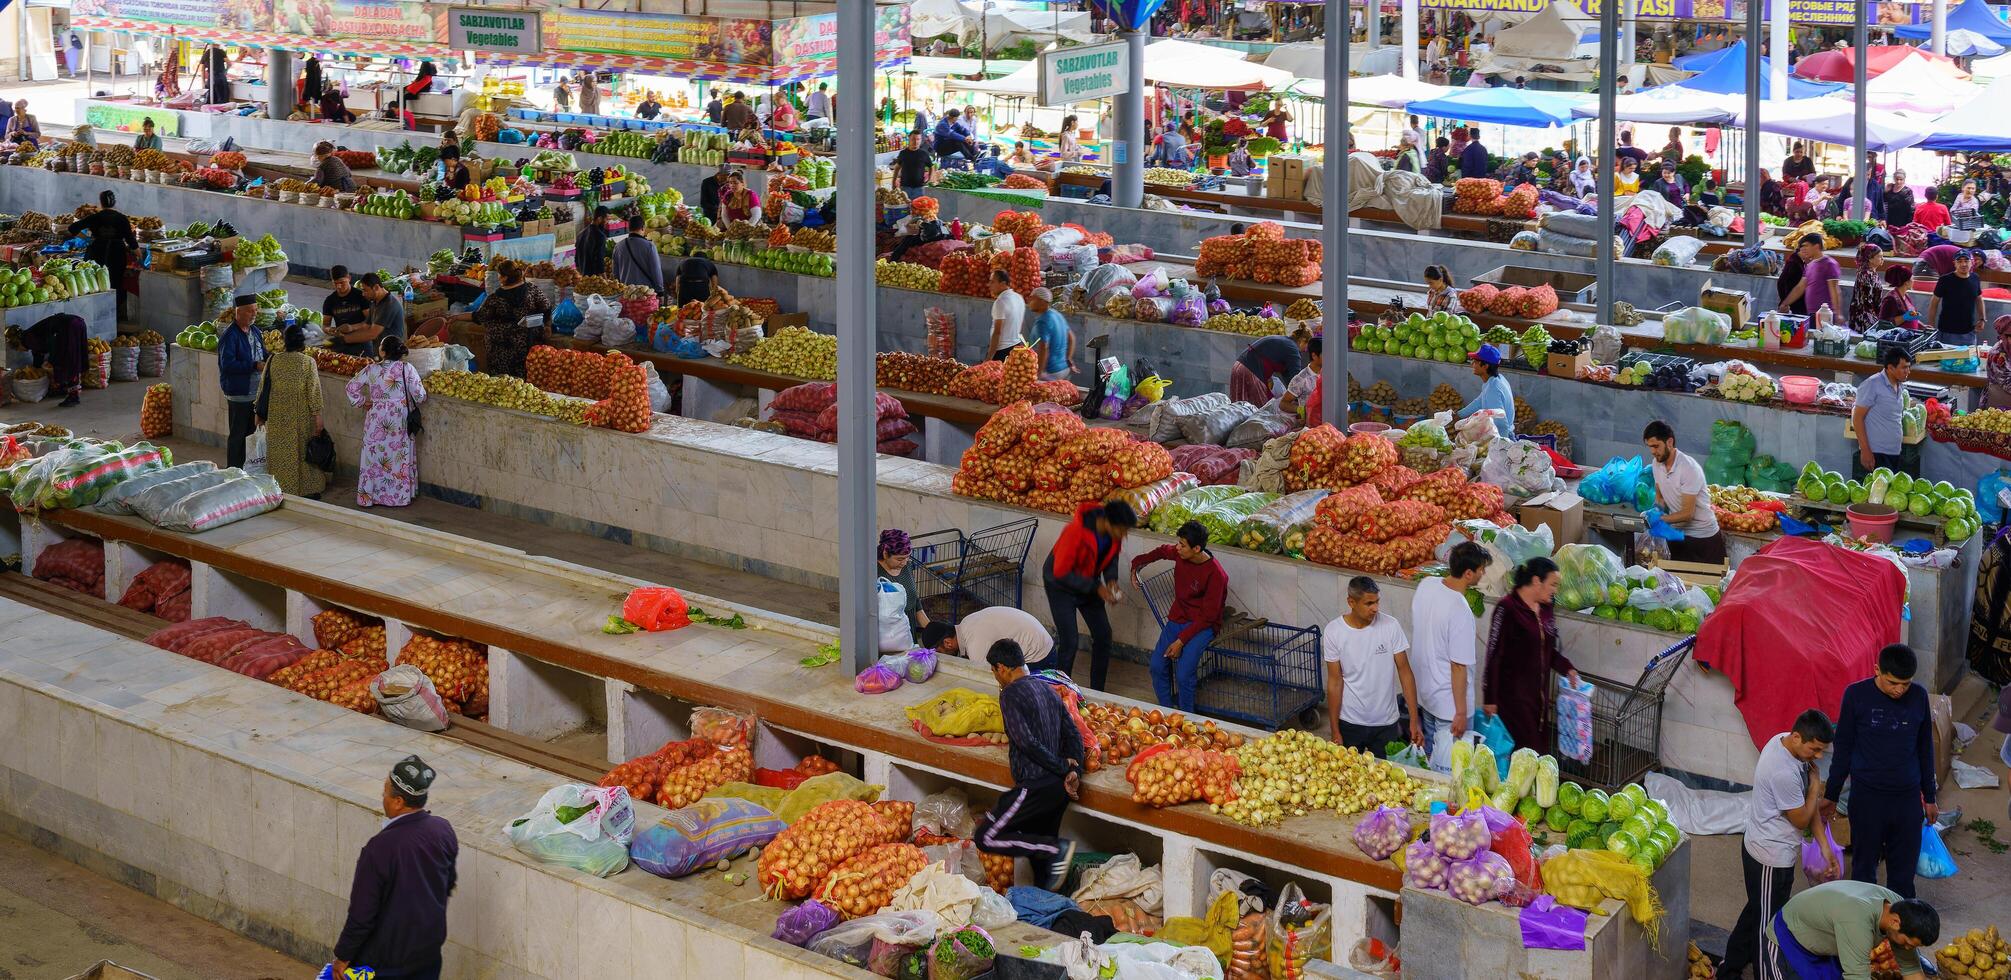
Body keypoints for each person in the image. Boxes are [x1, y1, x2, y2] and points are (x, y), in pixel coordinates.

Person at [1720, 709, 1837, 980]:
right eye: (1815, 749)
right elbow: (1801, 819)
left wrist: (1825, 847)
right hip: (1769, 857)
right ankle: (1766, 974)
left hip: (1767, 849)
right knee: (1769, 926)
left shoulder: (1782, 741)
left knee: (1756, 911)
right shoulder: (1783, 772)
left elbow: (1811, 814)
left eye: (1822, 750)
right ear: (1797, 737)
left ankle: (1730, 968)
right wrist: (1815, 787)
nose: (1818, 756)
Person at [1822, 643, 1937, 899]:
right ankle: (1864, 924)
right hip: (1867, 798)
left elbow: (1925, 749)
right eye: (1893, 682)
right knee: (1864, 869)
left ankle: (1900, 931)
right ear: (1877, 670)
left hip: (1906, 799)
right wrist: (1831, 794)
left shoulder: (1918, 697)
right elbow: (1843, 749)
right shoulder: (1855, 695)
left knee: (1904, 873)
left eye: (1905, 684)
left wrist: (1929, 797)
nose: (1899, 690)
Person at [332, 755, 458, 980]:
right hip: (428, 953)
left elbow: (362, 915)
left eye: (385, 791)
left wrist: (343, 956)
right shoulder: (443, 830)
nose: (382, 796)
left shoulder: (378, 849)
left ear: (398, 801)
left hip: (386, 962)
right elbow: (447, 884)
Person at [973, 639, 1084, 891]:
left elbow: (1026, 742)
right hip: (1057, 790)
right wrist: (1074, 771)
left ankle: (1056, 849)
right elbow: (1073, 735)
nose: (995, 677)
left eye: (993, 671)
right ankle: (1053, 909)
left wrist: (1061, 767)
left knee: (986, 836)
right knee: (1043, 869)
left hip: (1035, 786)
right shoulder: (1047, 689)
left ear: (1001, 668)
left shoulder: (1010, 693)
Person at [1404, 542, 1490, 773]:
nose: (1484, 573)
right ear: (1468, 573)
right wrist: (1460, 712)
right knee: (1456, 773)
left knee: (1434, 763)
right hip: (1449, 708)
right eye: (1481, 569)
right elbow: (1458, 667)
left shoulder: (1427, 585)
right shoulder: (1460, 608)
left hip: (1428, 697)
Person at [1482, 557, 1581, 752]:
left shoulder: (1546, 609)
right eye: (1553, 584)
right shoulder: (1507, 608)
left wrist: (1567, 668)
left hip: (1539, 701)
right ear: (1537, 581)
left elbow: (1547, 650)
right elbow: (1494, 656)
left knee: (1538, 753)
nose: (1555, 590)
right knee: (1522, 754)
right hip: (1513, 701)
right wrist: (1490, 699)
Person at [1129, 521, 1228, 713]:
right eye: (1178, 543)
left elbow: (1208, 616)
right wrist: (1135, 567)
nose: (1177, 548)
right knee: (1157, 666)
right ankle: (1167, 714)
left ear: (1197, 548)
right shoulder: (1180, 554)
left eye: (1182, 545)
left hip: (1203, 625)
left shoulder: (1217, 575)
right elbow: (1160, 551)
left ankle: (1186, 717)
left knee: (1184, 674)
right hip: (1178, 618)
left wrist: (1181, 641)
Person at [1040, 499, 1136, 691]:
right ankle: (1060, 691)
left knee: (1103, 636)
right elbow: (1061, 572)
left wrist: (1111, 581)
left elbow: (1111, 558)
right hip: (1060, 586)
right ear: (1108, 522)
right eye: (1122, 530)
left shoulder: (1113, 535)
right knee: (1070, 641)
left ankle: (1097, 691)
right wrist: (1097, 588)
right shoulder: (1074, 532)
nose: (1124, 535)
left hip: (1088, 584)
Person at [1763, 881, 1938, 980]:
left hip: (1825, 943)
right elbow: (1858, 978)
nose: (1907, 949)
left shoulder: (1899, 907)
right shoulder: (1857, 922)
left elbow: (1912, 970)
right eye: (1907, 944)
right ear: (1895, 922)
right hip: (1787, 940)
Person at [1324, 577, 1419, 757]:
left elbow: (1405, 672)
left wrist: (1414, 720)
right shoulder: (1334, 632)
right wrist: (1335, 729)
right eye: (1369, 603)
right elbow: (1335, 682)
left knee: (1386, 779)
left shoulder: (1390, 626)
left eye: (1377, 602)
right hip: (1350, 722)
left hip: (1386, 724)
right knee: (1348, 778)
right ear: (1351, 602)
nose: (1375, 608)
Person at [345, 335, 426, 508]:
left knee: (373, 457)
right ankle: (398, 497)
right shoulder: (407, 369)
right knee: (398, 457)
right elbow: (420, 396)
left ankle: (370, 497)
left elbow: (351, 388)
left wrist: (362, 402)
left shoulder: (371, 369)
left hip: (376, 418)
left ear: (383, 351)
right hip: (399, 419)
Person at [254, 326, 328, 499]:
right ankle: (306, 489)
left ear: (285, 342)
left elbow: (262, 388)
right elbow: (314, 392)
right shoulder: (307, 362)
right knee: (302, 452)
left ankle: (281, 487)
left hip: (277, 414)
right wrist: (317, 417)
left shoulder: (273, 360)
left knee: (280, 453)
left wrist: (258, 413)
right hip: (300, 416)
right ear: (302, 343)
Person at [1642, 420, 1725, 564]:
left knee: (1709, 585)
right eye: (1650, 447)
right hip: (1677, 536)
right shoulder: (1656, 464)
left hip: (1703, 539)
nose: (1653, 451)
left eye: (1656, 446)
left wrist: (1660, 520)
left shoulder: (1688, 468)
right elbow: (1660, 498)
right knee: (1676, 583)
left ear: (1669, 442)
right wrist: (1655, 511)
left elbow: (1687, 514)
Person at [473, 259, 552, 378]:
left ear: (504, 278)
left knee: (504, 380)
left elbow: (479, 316)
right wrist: (547, 326)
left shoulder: (495, 298)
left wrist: (456, 317)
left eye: (499, 275)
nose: (498, 277)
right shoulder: (532, 289)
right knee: (526, 378)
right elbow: (547, 307)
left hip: (502, 347)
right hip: (529, 342)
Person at [68, 190, 136, 322]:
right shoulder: (122, 218)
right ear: (114, 202)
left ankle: (94, 315)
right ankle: (112, 317)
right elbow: (131, 241)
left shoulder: (95, 217)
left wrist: (88, 238)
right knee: (115, 283)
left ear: (101, 203)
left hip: (96, 252)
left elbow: (72, 228)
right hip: (117, 254)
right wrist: (138, 256)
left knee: (96, 283)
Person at [218, 296, 266, 468]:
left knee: (250, 434)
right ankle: (233, 471)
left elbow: (263, 354)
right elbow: (228, 365)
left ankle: (247, 470)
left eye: (256, 309)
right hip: (239, 394)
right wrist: (254, 365)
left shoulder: (255, 332)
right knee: (238, 435)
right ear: (239, 312)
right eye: (250, 310)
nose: (254, 314)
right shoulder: (230, 336)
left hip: (255, 393)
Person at [1853, 348, 1915, 478]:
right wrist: (1865, 451)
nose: (1908, 372)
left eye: (1909, 367)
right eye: (1904, 368)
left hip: (1894, 452)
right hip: (1876, 453)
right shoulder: (1872, 384)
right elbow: (1857, 418)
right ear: (1890, 368)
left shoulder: (1899, 385)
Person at [923, 605, 1052, 666]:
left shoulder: (975, 645)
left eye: (939, 652)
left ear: (947, 643)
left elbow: (986, 681)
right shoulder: (966, 624)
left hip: (1039, 654)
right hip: (1038, 637)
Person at [19, 313, 89, 408]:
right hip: (78, 322)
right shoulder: (30, 335)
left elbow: (48, 346)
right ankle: (62, 388)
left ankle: (73, 396)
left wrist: (52, 360)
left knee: (68, 361)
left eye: (18, 348)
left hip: (69, 327)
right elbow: (39, 352)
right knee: (72, 359)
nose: (20, 351)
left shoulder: (28, 338)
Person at [1230, 330, 1308, 407]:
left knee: (1239, 408)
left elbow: (1288, 376)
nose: (1305, 350)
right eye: (1307, 346)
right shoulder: (1293, 349)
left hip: (1238, 367)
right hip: (1251, 372)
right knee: (1262, 410)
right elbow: (1296, 378)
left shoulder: (1285, 341)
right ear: (1303, 340)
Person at [1927, 249, 1986, 345]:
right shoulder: (1945, 280)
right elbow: (1934, 302)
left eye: (1966, 261)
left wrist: (1982, 319)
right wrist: (1931, 325)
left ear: (1971, 262)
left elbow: (1979, 299)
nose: (1963, 264)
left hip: (1969, 332)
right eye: (1959, 261)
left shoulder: (1975, 278)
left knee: (1968, 359)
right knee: (1947, 359)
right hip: (1947, 332)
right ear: (1954, 263)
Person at [1779, 234, 1840, 319]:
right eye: (1801, 247)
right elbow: (1800, 287)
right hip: (1811, 314)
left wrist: (1838, 314)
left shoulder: (1829, 264)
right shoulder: (1809, 265)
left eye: (1806, 246)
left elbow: (1835, 290)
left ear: (1816, 246)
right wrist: (1785, 303)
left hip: (1826, 315)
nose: (1802, 249)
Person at [1459, 345, 1515, 437]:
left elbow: (1501, 423)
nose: (1472, 364)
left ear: (1485, 366)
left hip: (1503, 437)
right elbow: (1479, 402)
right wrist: (1459, 414)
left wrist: (1501, 446)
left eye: (1475, 361)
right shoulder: (1496, 380)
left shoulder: (1493, 388)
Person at [1027, 288, 1074, 382]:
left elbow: (1044, 348)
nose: (1029, 301)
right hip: (1064, 369)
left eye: (1032, 298)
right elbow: (1071, 338)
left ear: (1042, 301)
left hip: (1051, 372)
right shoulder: (1057, 315)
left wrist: (1039, 373)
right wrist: (1068, 358)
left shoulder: (1042, 322)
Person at [613, 216, 665, 295]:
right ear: (643, 228)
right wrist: (660, 290)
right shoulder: (649, 246)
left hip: (626, 292)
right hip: (644, 293)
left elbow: (615, 273)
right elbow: (656, 270)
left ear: (628, 228)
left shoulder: (618, 246)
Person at [322, 265, 370, 349]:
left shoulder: (361, 296)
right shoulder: (329, 300)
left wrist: (352, 327)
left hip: (362, 341)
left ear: (349, 278)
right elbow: (325, 325)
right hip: (342, 341)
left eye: (342, 282)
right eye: (335, 283)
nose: (338, 286)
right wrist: (330, 330)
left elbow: (371, 321)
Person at [1848, 243, 1888, 334]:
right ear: (1870, 259)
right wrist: (1875, 320)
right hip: (1864, 318)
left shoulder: (1872, 273)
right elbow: (1866, 302)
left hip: (1871, 316)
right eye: (1879, 256)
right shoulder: (1865, 275)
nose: (1882, 259)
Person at [988, 269, 1026, 361]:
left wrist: (989, 358)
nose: (989, 285)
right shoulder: (1019, 297)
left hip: (1001, 351)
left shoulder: (1000, 302)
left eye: (992, 282)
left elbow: (997, 333)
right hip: (1016, 346)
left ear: (1003, 283)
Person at [893, 131, 935, 201]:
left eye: (918, 139)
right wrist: (893, 182)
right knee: (905, 209)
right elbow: (897, 168)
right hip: (905, 188)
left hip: (919, 188)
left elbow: (931, 167)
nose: (916, 141)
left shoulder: (924, 154)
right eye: (913, 139)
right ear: (909, 139)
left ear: (921, 140)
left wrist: (929, 180)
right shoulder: (903, 153)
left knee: (918, 209)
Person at [574, 205, 610, 277]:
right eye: (606, 219)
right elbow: (599, 258)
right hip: (595, 279)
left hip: (584, 277)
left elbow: (576, 259)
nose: (607, 222)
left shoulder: (581, 234)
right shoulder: (600, 236)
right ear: (599, 218)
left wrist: (581, 275)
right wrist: (604, 278)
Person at [401, 61, 439, 129]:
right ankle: (401, 110)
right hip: (418, 91)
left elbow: (417, 85)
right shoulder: (428, 76)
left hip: (417, 92)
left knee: (403, 96)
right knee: (401, 93)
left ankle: (401, 111)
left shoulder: (425, 77)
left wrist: (409, 88)